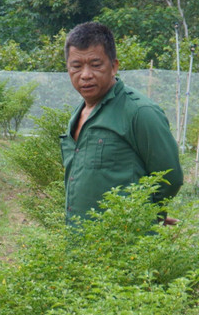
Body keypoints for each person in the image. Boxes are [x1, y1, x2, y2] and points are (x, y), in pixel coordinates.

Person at [60, 21, 183, 223]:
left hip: (122, 243)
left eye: (96, 65)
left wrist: (145, 216)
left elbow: (170, 178)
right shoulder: (79, 112)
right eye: (76, 66)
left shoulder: (140, 112)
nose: (86, 75)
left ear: (114, 66)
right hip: (79, 241)